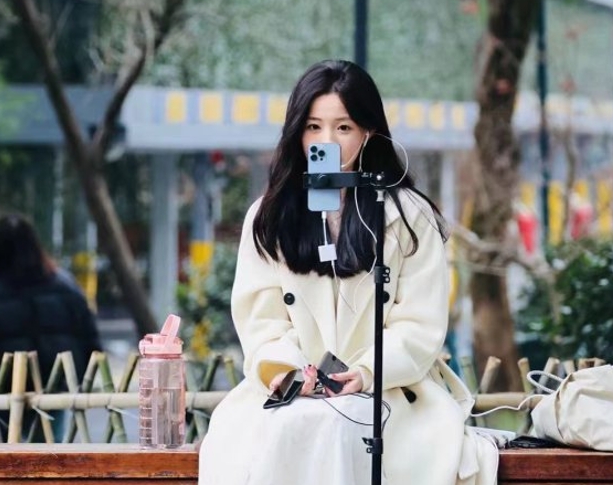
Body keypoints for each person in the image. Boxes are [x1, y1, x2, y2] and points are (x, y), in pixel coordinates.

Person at [199, 60, 497, 485]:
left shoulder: (408, 216)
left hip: (390, 389)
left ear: (368, 132)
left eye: (343, 128)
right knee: (280, 432)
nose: (326, 141)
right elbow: (260, 318)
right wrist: (286, 372)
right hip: (292, 392)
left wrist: (365, 373)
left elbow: (420, 322)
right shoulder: (269, 217)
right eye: (313, 127)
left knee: (346, 427)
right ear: (296, 132)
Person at [0, 214, 102, 442]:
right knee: (48, 450)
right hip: (53, 383)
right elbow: (88, 334)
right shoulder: (65, 287)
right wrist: (86, 375)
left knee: (6, 450)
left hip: (3, 385)